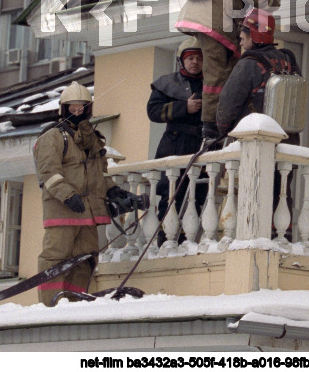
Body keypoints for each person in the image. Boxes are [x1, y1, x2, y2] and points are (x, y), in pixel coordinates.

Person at [32, 81, 137, 305]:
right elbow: (48, 172)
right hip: (63, 211)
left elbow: (100, 176)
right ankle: (50, 304)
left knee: (86, 259)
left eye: (82, 107)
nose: (77, 112)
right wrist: (68, 195)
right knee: (55, 258)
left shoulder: (93, 141)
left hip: (88, 214)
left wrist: (116, 192)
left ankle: (75, 301)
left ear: (88, 109)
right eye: (73, 108)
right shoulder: (52, 136)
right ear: (64, 109)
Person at [175, 0, 274, 146]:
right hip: (215, 23)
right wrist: (275, 0)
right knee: (217, 72)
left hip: (199, 17)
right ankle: (211, 126)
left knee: (224, 68)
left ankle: (220, 117)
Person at [146, 38, 208, 236]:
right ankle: (166, 242)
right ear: (182, 60)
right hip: (173, 145)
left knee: (197, 197)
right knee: (170, 196)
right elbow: (153, 111)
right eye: (190, 58)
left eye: (199, 58)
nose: (195, 62)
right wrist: (184, 107)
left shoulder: (211, 84)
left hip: (201, 146)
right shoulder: (167, 83)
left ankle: (188, 243)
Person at [215, 8, 302, 142]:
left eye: (243, 38)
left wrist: (223, 128)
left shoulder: (249, 63)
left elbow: (228, 103)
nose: (241, 43)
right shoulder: (290, 62)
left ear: (252, 36)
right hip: (289, 142)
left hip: (255, 141)